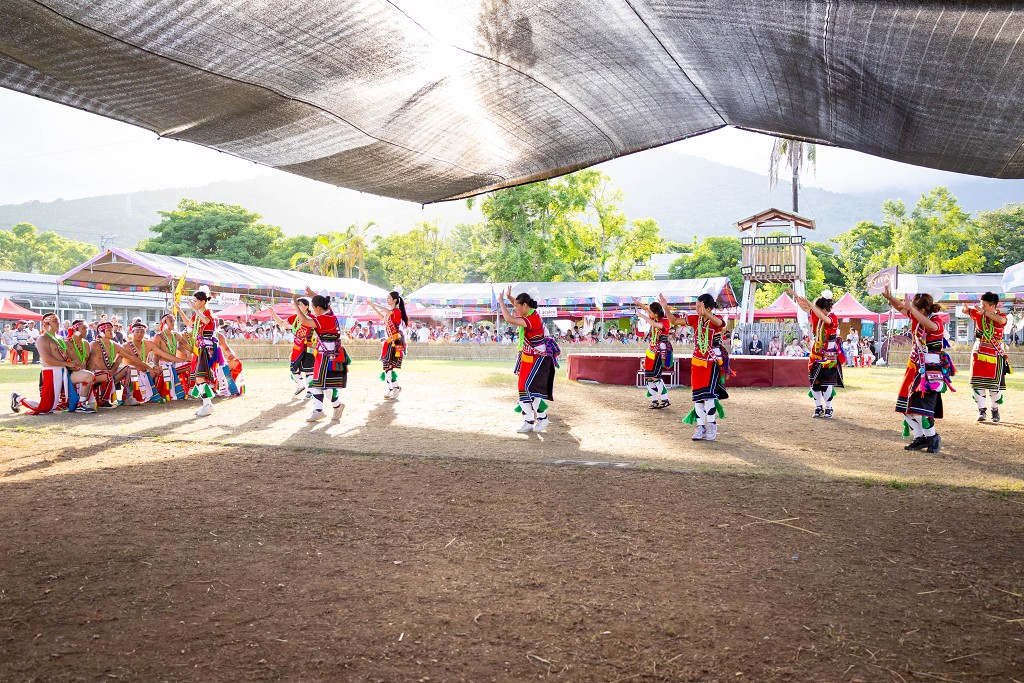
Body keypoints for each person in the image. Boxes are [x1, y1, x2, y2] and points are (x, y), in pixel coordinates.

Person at [883, 287, 954, 454]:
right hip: (914, 367)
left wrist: (911, 309)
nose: (911, 311)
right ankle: (919, 437)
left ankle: (933, 437)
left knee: (922, 410)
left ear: (922, 310)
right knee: (905, 407)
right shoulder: (917, 317)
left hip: (930, 371)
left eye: (915, 308)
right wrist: (890, 297)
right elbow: (900, 307)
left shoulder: (936, 321)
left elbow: (930, 326)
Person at [660, 292, 729, 441]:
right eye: (697, 306)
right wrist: (665, 307)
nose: (697, 309)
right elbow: (673, 321)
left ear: (709, 308)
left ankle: (711, 425)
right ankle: (700, 427)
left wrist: (706, 314)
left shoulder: (715, 320)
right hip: (697, 361)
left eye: (699, 307)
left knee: (709, 396)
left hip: (711, 361)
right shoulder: (693, 319)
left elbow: (720, 324)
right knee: (698, 398)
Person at [499, 286, 560, 433]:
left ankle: (543, 418)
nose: (516, 310)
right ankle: (528, 421)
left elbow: (508, 318)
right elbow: (518, 305)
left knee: (531, 389)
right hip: (527, 357)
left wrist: (500, 301)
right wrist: (509, 298)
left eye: (518, 307)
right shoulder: (530, 312)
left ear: (525, 305)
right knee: (523, 389)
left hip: (538, 359)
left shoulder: (531, 319)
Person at [11, 312, 96, 414]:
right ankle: (18, 398)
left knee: (88, 376)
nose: (58, 323)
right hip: (51, 372)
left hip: (63, 371)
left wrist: (72, 363)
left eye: (58, 320)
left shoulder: (60, 338)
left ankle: (80, 404)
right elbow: (47, 359)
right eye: (55, 321)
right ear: (46, 324)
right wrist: (67, 364)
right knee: (46, 408)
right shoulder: (42, 338)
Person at [291, 289, 350, 421]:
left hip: (326, 356)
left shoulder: (323, 319)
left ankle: (331, 407)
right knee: (319, 383)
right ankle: (323, 409)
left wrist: (295, 305)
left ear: (318, 307)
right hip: (329, 355)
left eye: (313, 306)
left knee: (322, 384)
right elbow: (325, 303)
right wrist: (313, 294)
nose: (312, 309)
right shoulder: (330, 314)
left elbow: (304, 321)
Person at [791, 289, 844, 418]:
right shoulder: (817, 314)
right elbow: (805, 308)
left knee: (826, 382)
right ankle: (818, 407)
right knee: (814, 381)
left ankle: (829, 408)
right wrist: (797, 297)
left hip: (828, 354)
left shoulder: (832, 318)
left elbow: (822, 317)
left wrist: (810, 303)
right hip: (816, 352)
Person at [963, 293, 1011, 422]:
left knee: (993, 385)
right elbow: (967, 311)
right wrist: (965, 309)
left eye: (984, 305)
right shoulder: (978, 313)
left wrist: (983, 312)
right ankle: (981, 411)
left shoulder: (1001, 316)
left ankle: (995, 410)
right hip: (979, 353)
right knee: (977, 384)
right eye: (981, 304)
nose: (981, 307)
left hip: (995, 354)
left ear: (992, 306)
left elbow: (1002, 321)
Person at [176, 286, 220, 418]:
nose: (193, 303)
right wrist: (180, 311)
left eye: (195, 301)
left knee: (200, 377)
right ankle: (207, 404)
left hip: (206, 348)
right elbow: (189, 324)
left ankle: (208, 405)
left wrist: (194, 310)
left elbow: (206, 321)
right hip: (200, 348)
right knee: (198, 377)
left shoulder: (208, 313)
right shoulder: (197, 314)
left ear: (203, 301)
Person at [87, 320, 152, 408]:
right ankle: (101, 399)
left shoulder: (115, 345)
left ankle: (128, 397)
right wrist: (88, 378)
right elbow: (90, 362)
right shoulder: (94, 344)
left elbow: (132, 358)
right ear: (101, 333)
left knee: (130, 368)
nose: (112, 332)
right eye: (108, 330)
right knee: (106, 375)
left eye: (112, 330)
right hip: (96, 377)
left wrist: (150, 368)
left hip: (109, 376)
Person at [122, 320, 182, 404]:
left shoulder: (148, 344)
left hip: (145, 373)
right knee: (140, 372)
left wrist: (180, 360)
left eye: (142, 332)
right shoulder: (125, 346)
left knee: (162, 369)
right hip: (131, 376)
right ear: (132, 332)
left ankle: (163, 393)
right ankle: (130, 396)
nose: (140, 334)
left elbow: (163, 354)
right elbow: (122, 362)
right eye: (137, 332)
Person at [266, 298, 316, 397]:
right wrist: (273, 314)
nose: (297, 307)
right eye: (296, 305)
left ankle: (310, 391)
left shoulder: (312, 317)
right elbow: (281, 323)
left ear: (307, 306)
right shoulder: (294, 317)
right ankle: (300, 386)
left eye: (300, 304)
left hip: (309, 346)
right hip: (297, 346)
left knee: (308, 370)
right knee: (294, 368)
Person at [367, 291, 409, 400]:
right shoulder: (389, 313)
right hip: (388, 342)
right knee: (387, 368)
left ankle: (393, 389)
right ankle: (394, 388)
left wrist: (375, 305)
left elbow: (388, 312)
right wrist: (374, 308)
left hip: (394, 343)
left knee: (389, 368)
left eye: (389, 298)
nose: (387, 299)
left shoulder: (396, 311)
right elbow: (383, 317)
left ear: (395, 300)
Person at [632, 297, 673, 409]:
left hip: (659, 351)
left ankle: (665, 399)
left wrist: (642, 316)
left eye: (650, 312)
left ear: (655, 314)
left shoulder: (664, 321)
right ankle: (654, 400)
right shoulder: (654, 317)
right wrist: (637, 303)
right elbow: (646, 308)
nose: (648, 312)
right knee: (649, 377)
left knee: (655, 376)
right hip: (651, 350)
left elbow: (653, 324)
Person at [151, 313, 192, 402]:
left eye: (174, 320)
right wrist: (155, 365)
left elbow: (186, 346)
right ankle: (163, 394)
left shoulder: (176, 335)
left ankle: (190, 390)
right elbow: (156, 356)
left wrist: (188, 352)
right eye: (171, 321)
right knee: (165, 370)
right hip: (164, 365)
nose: (173, 323)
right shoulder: (158, 337)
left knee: (192, 365)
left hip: (174, 364)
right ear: (164, 323)